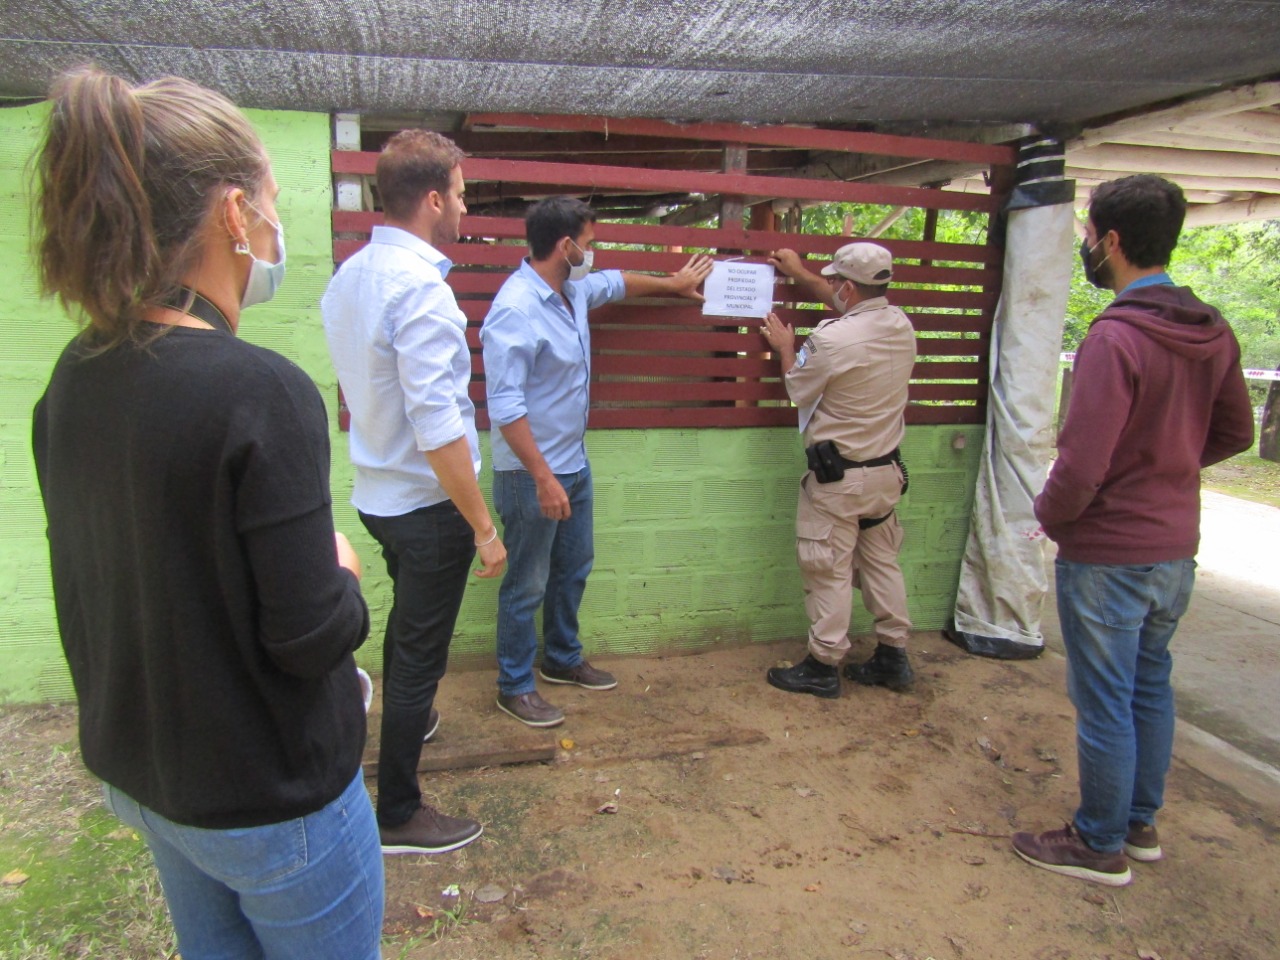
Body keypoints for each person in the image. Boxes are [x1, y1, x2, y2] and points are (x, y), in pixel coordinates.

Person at [30, 67, 383, 959]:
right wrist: (342, 572)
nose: (276, 224)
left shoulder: (73, 378)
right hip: (274, 803)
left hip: (151, 783)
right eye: (270, 201)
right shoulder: (259, 389)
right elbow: (309, 636)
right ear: (235, 214)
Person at [1012, 175, 1254, 886]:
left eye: (1088, 235)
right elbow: (1235, 430)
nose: (1086, 246)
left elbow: (1082, 463)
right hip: (1175, 548)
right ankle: (1139, 824)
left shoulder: (1115, 338)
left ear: (1112, 241)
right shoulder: (1211, 328)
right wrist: (1166, 468)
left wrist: (1051, 515)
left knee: (1105, 699)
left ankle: (1098, 844)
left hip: (1109, 552)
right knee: (1150, 685)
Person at [322, 130, 503, 856]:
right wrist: (484, 528)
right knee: (421, 651)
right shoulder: (421, 290)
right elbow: (438, 427)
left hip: (378, 493)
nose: (464, 205)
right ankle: (397, 811)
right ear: (433, 199)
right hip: (428, 509)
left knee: (409, 632)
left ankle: (409, 714)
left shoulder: (352, 275)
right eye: (460, 192)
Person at [481, 196, 712, 727]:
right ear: (566, 246)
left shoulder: (573, 290)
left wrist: (674, 285)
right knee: (527, 584)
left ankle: (561, 659)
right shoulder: (514, 310)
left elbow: (619, 282)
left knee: (574, 566)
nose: (594, 251)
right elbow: (506, 407)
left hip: (573, 465)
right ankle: (514, 685)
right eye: (589, 242)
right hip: (530, 476)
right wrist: (542, 478)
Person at [760, 242, 916, 699]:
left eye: (833, 282)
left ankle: (823, 664)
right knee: (882, 562)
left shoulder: (830, 339)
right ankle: (893, 655)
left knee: (827, 568)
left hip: (839, 481)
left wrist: (786, 348)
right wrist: (802, 271)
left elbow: (797, 390)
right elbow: (852, 306)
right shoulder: (901, 325)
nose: (828, 288)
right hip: (885, 475)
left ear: (847, 287)